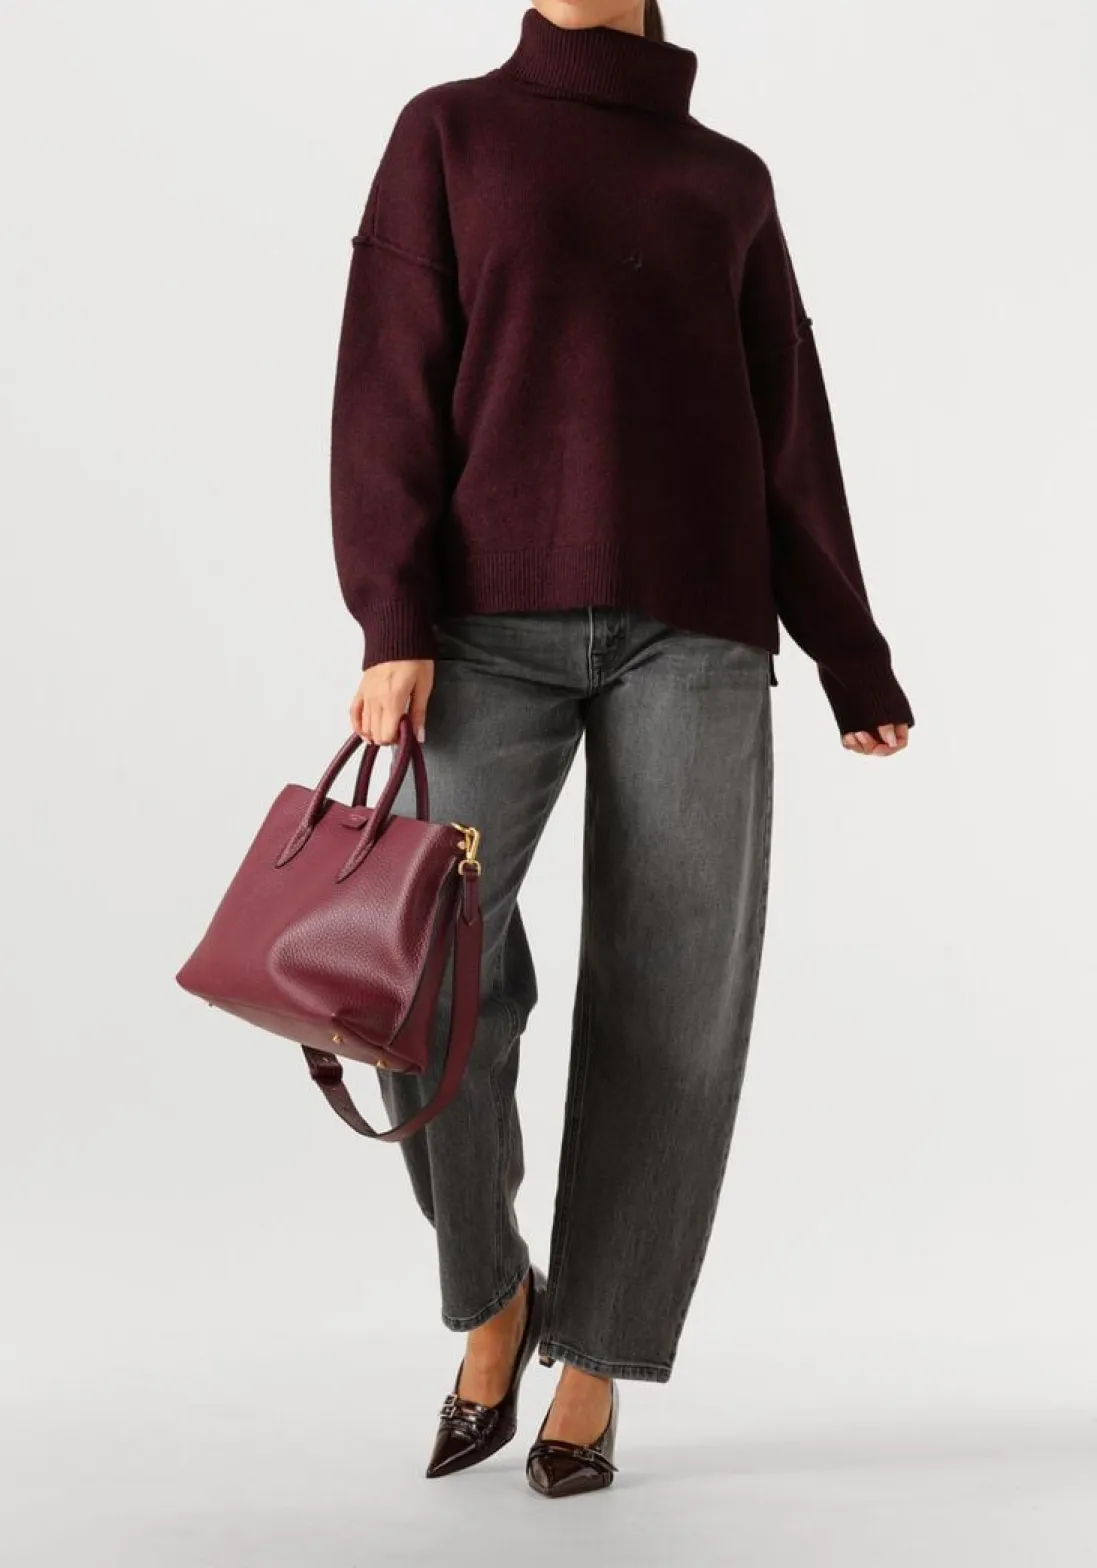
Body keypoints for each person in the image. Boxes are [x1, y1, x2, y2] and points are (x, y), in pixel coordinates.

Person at [328, 0, 914, 1499]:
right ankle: (493, 1299)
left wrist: (849, 649)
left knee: (673, 1004)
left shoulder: (728, 182)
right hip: (478, 629)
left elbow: (789, 429)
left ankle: (591, 1361)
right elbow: (390, 378)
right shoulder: (450, 133)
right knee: (427, 974)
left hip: (698, 629)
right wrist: (392, 613)